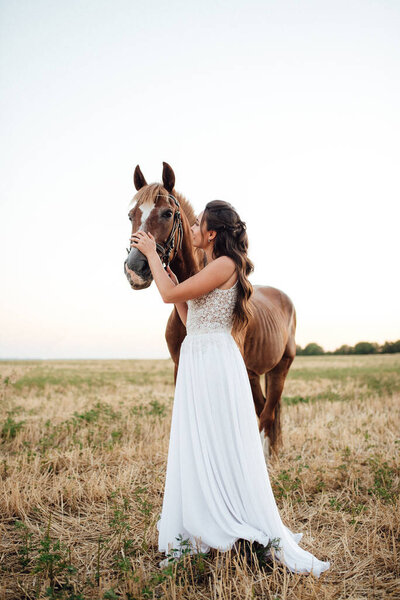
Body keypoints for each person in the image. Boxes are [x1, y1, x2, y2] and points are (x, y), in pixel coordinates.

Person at [129, 199, 330, 577]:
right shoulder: (211, 266)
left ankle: (230, 520)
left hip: (215, 361)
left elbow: (170, 296)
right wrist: (169, 273)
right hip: (198, 355)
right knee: (201, 440)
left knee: (218, 438)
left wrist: (152, 254)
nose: (191, 229)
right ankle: (206, 519)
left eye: (197, 223)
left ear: (212, 233)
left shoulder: (224, 264)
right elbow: (188, 314)